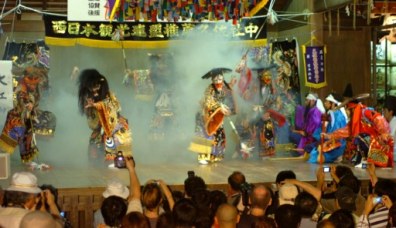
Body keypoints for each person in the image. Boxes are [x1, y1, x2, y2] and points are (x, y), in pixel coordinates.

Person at [0, 66, 55, 167]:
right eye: (31, 84)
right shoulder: (21, 88)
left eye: (35, 83)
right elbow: (22, 100)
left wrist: (33, 108)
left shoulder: (36, 86)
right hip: (17, 117)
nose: (33, 86)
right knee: (20, 135)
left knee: (49, 117)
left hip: (30, 115)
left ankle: (29, 159)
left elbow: (35, 101)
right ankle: (22, 160)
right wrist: (28, 104)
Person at [77, 69, 133, 160]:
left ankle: (115, 159)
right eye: (91, 88)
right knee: (94, 157)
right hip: (99, 130)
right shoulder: (87, 98)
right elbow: (92, 120)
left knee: (115, 148)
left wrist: (97, 106)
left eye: (96, 87)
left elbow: (114, 111)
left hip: (114, 128)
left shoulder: (109, 96)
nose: (94, 91)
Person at [322, 99, 394, 167]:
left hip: (378, 144)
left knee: (359, 137)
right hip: (369, 143)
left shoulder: (365, 112)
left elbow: (379, 119)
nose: (347, 112)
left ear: (352, 109)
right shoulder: (354, 119)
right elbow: (345, 131)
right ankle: (363, 160)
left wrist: (384, 135)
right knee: (354, 140)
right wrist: (329, 136)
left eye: (347, 110)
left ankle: (373, 160)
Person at [189, 67, 236, 164]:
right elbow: (208, 102)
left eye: (220, 79)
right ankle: (203, 157)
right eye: (216, 80)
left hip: (217, 115)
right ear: (212, 80)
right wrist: (220, 107)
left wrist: (226, 109)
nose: (218, 81)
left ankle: (214, 156)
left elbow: (228, 96)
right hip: (206, 116)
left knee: (218, 135)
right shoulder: (209, 89)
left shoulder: (224, 87)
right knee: (206, 135)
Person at [309, 93, 347, 163]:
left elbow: (338, 135)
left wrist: (327, 139)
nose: (325, 103)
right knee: (314, 152)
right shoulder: (333, 114)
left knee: (316, 157)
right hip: (331, 140)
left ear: (332, 104)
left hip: (338, 144)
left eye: (327, 101)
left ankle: (338, 155)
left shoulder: (338, 117)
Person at [289, 93, 325, 157]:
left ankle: (301, 151)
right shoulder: (311, 110)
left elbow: (315, 125)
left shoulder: (315, 112)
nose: (306, 102)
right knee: (292, 134)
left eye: (307, 100)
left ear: (313, 101)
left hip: (310, 137)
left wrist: (305, 133)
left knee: (292, 135)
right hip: (307, 134)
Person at [383, 95, 396, 161]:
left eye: (385, 111)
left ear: (390, 112)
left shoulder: (394, 122)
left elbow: (390, 140)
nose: (383, 113)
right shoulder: (389, 122)